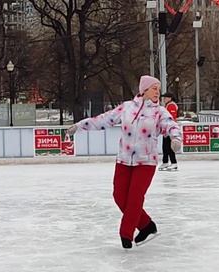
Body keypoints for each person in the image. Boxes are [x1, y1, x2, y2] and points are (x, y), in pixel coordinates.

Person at [66, 75, 181, 249]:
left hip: (146, 161)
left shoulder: (160, 112)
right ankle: (146, 225)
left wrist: (175, 138)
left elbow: (171, 125)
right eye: (154, 88)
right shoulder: (127, 108)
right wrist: (80, 126)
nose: (157, 92)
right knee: (119, 196)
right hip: (124, 159)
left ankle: (125, 234)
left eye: (158, 89)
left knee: (135, 197)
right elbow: (103, 120)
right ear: (143, 90)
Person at [159, 92, 179, 171]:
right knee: (165, 146)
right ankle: (165, 161)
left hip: (170, 129)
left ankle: (174, 162)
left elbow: (171, 117)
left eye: (165, 98)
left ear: (170, 98)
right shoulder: (167, 105)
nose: (164, 99)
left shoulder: (171, 105)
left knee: (169, 146)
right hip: (167, 129)